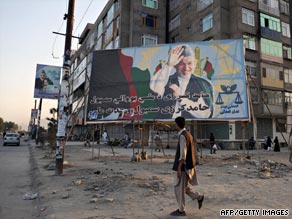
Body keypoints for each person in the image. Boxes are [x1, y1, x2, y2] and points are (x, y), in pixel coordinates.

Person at [150, 45, 213, 119]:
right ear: (175, 65)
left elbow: (205, 114)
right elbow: (154, 89)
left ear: (195, 63)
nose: (186, 68)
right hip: (165, 126)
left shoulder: (203, 84)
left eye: (189, 63)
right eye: (181, 64)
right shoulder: (166, 80)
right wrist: (169, 65)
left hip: (192, 125)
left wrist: (181, 98)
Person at [170, 116, 204, 216]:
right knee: (184, 188)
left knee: (179, 189)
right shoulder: (189, 134)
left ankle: (181, 210)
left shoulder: (182, 136)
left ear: (177, 124)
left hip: (184, 167)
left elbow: (183, 155)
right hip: (189, 166)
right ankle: (199, 197)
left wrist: (179, 168)